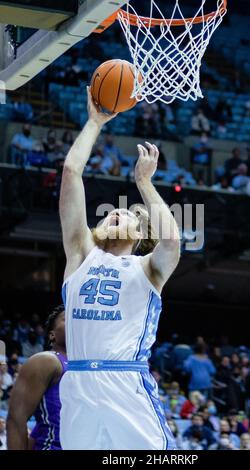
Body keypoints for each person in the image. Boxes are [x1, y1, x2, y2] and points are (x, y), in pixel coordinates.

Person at [58, 87, 181, 450]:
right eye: (111, 211)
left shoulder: (147, 268)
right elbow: (70, 172)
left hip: (125, 383)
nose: (114, 212)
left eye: (124, 214)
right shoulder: (81, 255)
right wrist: (94, 123)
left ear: (141, 235)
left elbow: (172, 241)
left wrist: (143, 182)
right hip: (78, 383)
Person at [7, 306, 67, 450]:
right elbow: (16, 421)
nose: (75, 321)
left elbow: (41, 428)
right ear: (52, 335)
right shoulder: (46, 360)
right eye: (67, 319)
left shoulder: (91, 367)